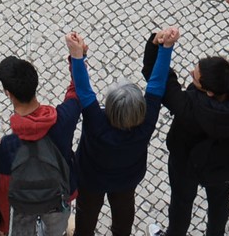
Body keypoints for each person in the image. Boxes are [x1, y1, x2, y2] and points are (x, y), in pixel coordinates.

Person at [155, 0, 229, 236]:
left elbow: (160, 80)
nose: (191, 74)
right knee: (219, 202)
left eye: (195, 76)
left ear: (209, 91)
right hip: (225, 162)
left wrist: (161, 46)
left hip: (186, 163)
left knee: (181, 203)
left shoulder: (187, 108)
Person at [68, 26, 174, 236]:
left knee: (86, 215)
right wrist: (166, 48)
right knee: (124, 213)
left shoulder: (96, 122)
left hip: (90, 179)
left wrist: (77, 56)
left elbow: (83, 89)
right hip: (127, 178)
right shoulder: (145, 123)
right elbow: (157, 84)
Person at [0, 47, 85, 236]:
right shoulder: (63, 121)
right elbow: (78, 91)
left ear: (8, 93)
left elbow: (3, 186)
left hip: (23, 205)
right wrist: (77, 57)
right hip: (58, 199)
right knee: (55, 229)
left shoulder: (9, 145)